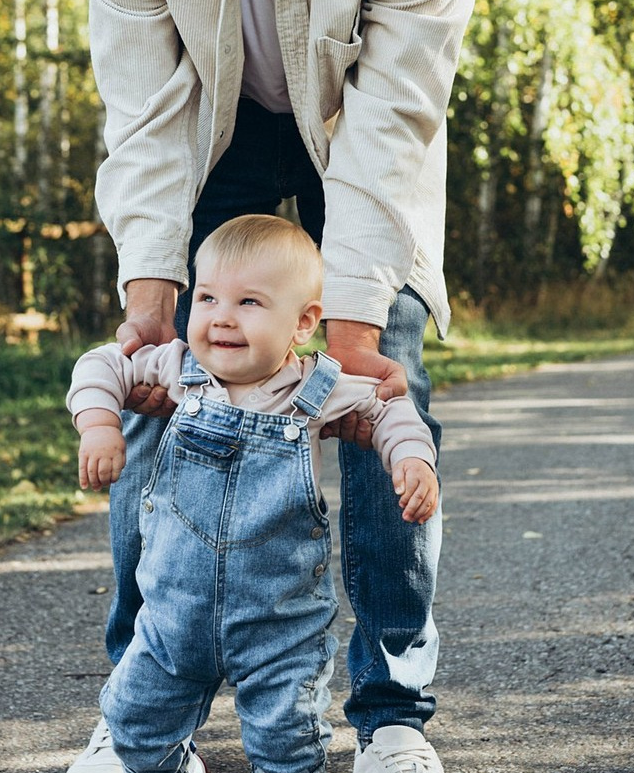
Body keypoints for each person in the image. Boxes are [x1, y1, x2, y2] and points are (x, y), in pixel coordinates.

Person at [73, 0, 473, 773]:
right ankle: (142, 713)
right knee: (161, 379)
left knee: (388, 382)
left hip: (349, 136)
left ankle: (390, 710)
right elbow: (145, 114)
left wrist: (348, 324)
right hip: (204, 134)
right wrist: (149, 302)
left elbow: (392, 124)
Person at [68, 215, 439, 773]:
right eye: (209, 297)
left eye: (249, 303)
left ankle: (383, 724)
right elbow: (102, 364)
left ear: (303, 323)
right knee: (137, 733)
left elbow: (387, 407)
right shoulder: (178, 368)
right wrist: (98, 423)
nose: (220, 317)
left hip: (279, 624)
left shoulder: (318, 386)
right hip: (172, 614)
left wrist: (412, 458)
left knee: (286, 743)